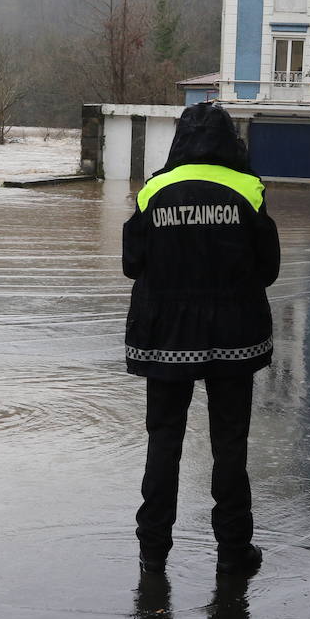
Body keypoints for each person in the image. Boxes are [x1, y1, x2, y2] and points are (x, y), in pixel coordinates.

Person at [123, 102, 280, 578]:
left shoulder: (154, 190)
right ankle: (234, 548)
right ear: (229, 139)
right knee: (230, 444)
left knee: (163, 440)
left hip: (165, 335)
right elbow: (268, 269)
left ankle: (153, 548)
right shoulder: (248, 189)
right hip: (234, 336)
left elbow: (132, 263)